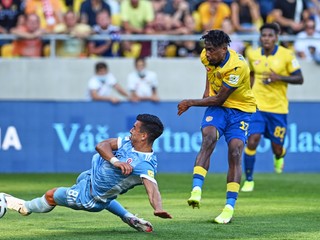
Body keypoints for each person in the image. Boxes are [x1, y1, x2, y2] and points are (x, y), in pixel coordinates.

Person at [0, 114, 172, 232]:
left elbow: (152, 189)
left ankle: (24, 207)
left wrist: (158, 208)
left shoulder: (144, 164)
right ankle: (128, 217)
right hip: (89, 177)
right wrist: (115, 161)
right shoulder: (128, 142)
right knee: (104, 194)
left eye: (135, 128)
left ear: (144, 136)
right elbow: (101, 145)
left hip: (90, 197)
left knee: (52, 195)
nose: (130, 130)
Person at [177, 30, 256, 224]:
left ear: (224, 49)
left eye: (212, 50)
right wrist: (206, 90)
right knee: (208, 138)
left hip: (240, 110)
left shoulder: (237, 66)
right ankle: (196, 190)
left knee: (235, 151)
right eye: (206, 49)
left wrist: (190, 102)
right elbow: (210, 71)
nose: (207, 54)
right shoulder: (207, 55)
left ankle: (229, 207)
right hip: (218, 108)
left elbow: (221, 98)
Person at [241, 23, 304, 192]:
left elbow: (299, 78)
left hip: (278, 109)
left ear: (276, 37)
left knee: (276, 148)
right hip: (257, 107)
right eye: (264, 35)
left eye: (270, 35)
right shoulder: (252, 54)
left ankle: (280, 155)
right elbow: (252, 74)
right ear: (260, 38)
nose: (266, 38)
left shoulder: (287, 55)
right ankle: (248, 180)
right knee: (252, 140)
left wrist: (279, 77)